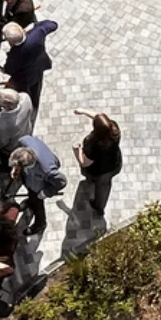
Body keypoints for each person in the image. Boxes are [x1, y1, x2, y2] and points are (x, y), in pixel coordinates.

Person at [62, 110, 122, 259]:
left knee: (99, 185)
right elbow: (99, 118)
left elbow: (84, 162)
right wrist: (83, 111)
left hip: (98, 171)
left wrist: (76, 151)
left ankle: (97, 205)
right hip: (113, 165)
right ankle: (99, 205)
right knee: (105, 187)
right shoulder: (114, 130)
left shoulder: (93, 145)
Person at [7, 136, 66, 238]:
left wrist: (45, 193)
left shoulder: (47, 170)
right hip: (29, 180)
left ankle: (40, 224)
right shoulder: (23, 140)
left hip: (38, 190)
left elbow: (62, 182)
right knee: (31, 194)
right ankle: (30, 202)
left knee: (37, 205)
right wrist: (17, 169)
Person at [1, 18, 60, 106]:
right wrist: (35, 26)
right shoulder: (37, 33)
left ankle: (32, 102)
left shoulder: (14, 55)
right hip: (41, 64)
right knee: (36, 86)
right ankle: (35, 101)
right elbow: (53, 24)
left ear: (10, 41)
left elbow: (9, 70)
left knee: (29, 88)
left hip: (26, 77)